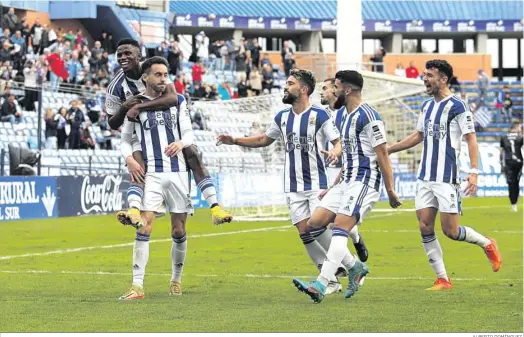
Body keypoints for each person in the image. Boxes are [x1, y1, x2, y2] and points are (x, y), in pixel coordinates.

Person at [217, 69, 345, 295]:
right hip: (292, 186)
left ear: (303, 90)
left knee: (317, 227)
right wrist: (234, 140)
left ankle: (350, 265)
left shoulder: (320, 115)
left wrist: (335, 151)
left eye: (290, 83)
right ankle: (332, 279)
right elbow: (264, 140)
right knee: (304, 232)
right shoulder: (282, 117)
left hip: (317, 183)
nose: (285, 87)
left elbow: (338, 142)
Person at [387, 59, 502, 291]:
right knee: (424, 226)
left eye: (430, 75)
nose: (425, 79)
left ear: (443, 79)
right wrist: (389, 149)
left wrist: (474, 172)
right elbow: (417, 136)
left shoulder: (458, 106)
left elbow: (471, 139)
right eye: (425, 74)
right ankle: (443, 279)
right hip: (425, 176)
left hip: (446, 177)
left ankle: (487, 243)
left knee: (450, 231)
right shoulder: (426, 106)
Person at [292, 70, 401, 303]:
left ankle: (321, 283)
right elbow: (349, 155)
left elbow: (382, 153)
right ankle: (355, 267)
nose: (335, 90)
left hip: (364, 181)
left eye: (338, 86)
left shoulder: (369, 116)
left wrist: (390, 191)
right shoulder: (342, 116)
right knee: (315, 224)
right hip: (346, 181)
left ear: (348, 90)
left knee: (340, 227)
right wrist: (333, 186)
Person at [105, 38, 232, 228]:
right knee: (137, 165)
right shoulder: (115, 88)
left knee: (192, 152)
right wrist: (124, 108)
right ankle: (134, 210)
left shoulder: (154, 70)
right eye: (120, 54)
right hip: (140, 133)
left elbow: (173, 98)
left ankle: (215, 207)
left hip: (168, 128)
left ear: (138, 56)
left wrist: (140, 106)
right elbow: (112, 123)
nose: (123, 57)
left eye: (127, 53)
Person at [118, 57, 193, 300]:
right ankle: (137, 286)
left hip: (178, 172)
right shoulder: (135, 106)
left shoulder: (178, 100)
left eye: (165, 74)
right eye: (158, 75)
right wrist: (129, 158)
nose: (163, 79)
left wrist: (180, 143)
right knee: (144, 225)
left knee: (178, 230)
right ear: (145, 78)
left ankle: (176, 279)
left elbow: (189, 133)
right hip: (151, 173)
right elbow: (125, 139)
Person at [320, 77, 368, 262]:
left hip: (346, 169)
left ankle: (348, 255)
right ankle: (352, 246)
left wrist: (336, 152)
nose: (322, 92)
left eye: (325, 88)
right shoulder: (320, 113)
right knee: (326, 218)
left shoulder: (346, 113)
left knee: (337, 218)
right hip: (325, 170)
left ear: (335, 90)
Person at [500, 122, 523, 212]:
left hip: (508, 163)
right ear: (516, 127)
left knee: (510, 183)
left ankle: (513, 204)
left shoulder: (504, 137)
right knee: (516, 182)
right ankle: (515, 203)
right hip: (519, 162)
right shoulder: (520, 137)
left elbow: (501, 152)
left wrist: (502, 166)